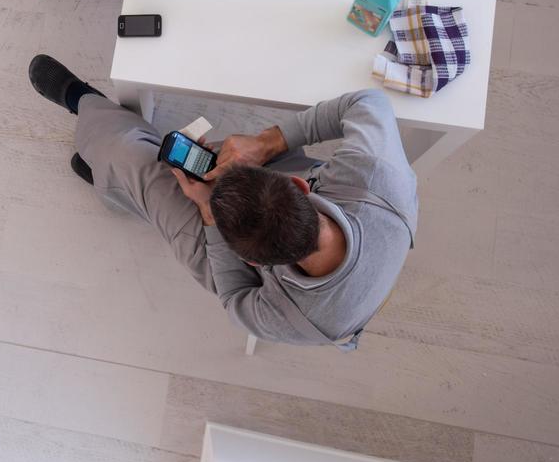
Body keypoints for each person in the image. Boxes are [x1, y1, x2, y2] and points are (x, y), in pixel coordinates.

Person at [28, 54, 417, 349]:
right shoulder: (378, 174)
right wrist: (269, 142)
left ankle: (86, 107)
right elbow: (370, 102)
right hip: (351, 229)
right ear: (299, 186)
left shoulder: (285, 318)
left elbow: (234, 298)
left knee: (140, 165)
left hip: (256, 277)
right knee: (199, 163)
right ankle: (110, 176)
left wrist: (207, 211)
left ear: (250, 260)